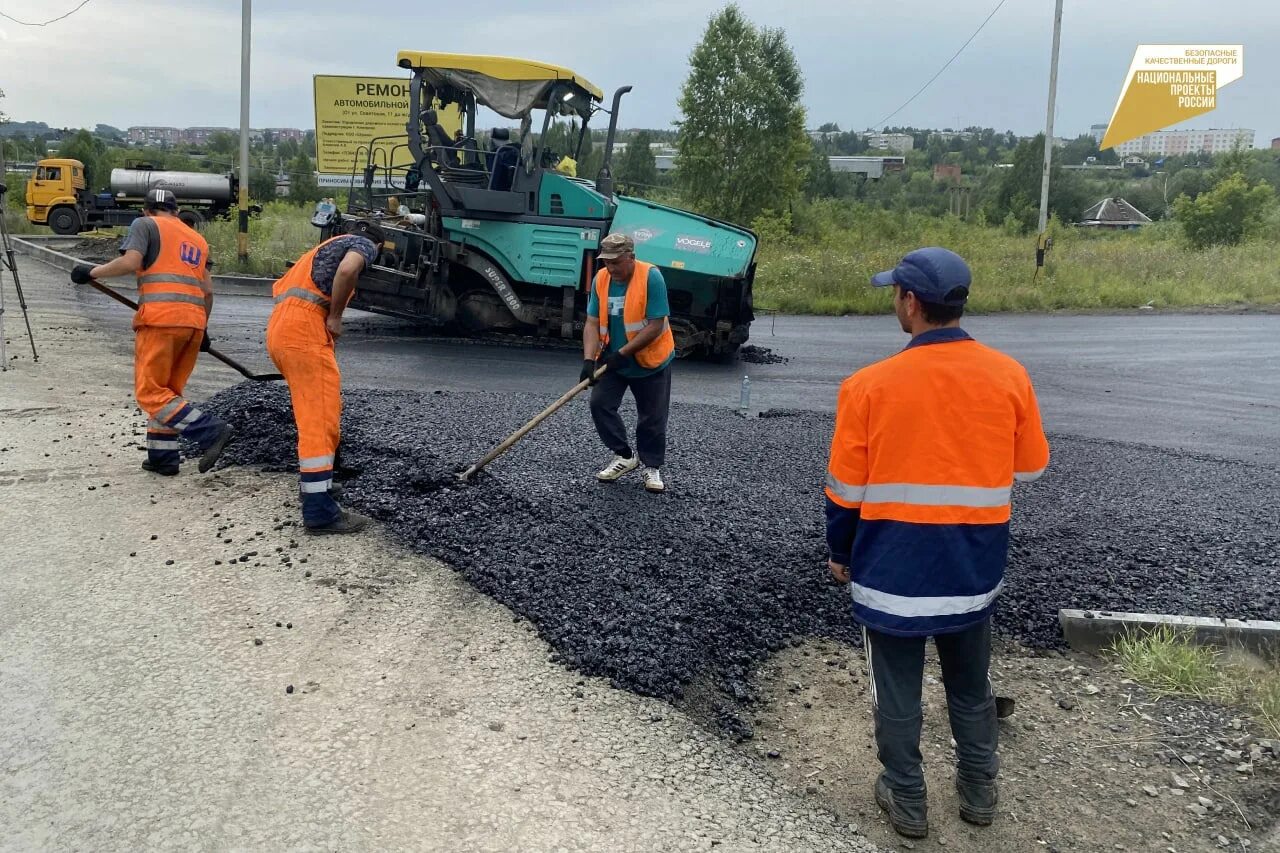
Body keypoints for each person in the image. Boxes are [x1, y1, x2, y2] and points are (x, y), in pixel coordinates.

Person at [824, 247, 1050, 839]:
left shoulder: (867, 387)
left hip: (892, 571)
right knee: (971, 685)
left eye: (895, 294)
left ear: (910, 302)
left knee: (896, 689)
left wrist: (841, 555)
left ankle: (906, 797)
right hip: (973, 570)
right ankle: (979, 789)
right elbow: (1029, 468)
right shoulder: (1009, 376)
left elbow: (845, 492)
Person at [71, 189, 233, 477]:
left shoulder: (144, 225)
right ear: (175, 210)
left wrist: (92, 272)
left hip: (160, 321)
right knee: (168, 393)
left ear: (147, 210)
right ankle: (163, 458)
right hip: (193, 324)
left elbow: (131, 262)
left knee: (150, 392)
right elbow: (207, 291)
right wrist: (202, 328)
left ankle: (209, 430)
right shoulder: (196, 239)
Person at [265, 219, 385, 534]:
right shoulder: (363, 244)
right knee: (318, 419)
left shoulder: (323, 248)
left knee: (321, 412)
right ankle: (320, 512)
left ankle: (318, 487)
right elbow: (348, 271)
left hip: (283, 328)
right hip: (304, 330)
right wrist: (335, 316)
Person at [580, 232, 675, 493]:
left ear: (631, 258)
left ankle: (651, 466)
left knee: (652, 418)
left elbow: (656, 325)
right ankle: (624, 455)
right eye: (607, 262)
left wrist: (624, 353)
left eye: (617, 262)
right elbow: (591, 322)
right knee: (600, 404)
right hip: (613, 360)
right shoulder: (602, 280)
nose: (611, 268)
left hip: (649, 360)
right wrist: (589, 360)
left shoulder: (650, 277)